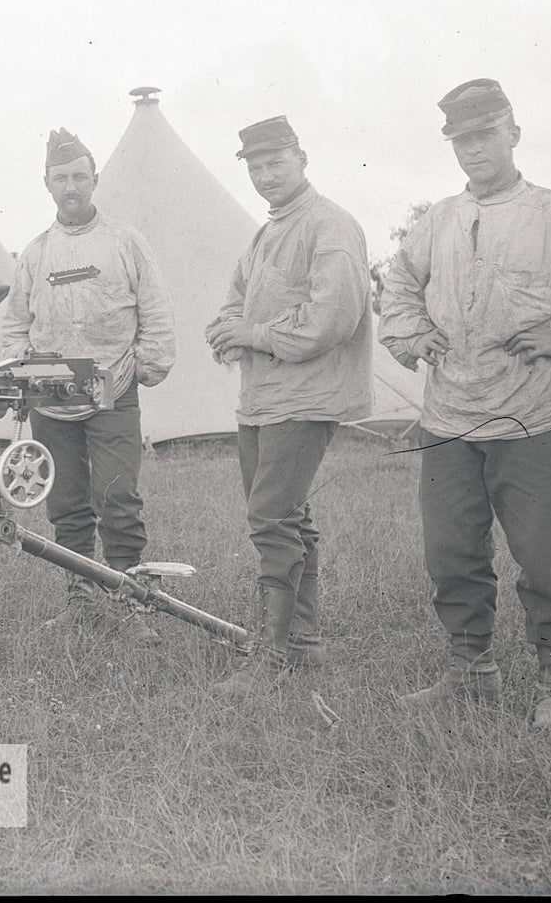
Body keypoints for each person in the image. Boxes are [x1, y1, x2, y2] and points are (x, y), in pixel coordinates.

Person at [379, 78, 551, 727]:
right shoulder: (437, 221)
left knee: (538, 557)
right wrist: (411, 333)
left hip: (533, 420)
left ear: (512, 133)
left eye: (484, 134)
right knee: (450, 553)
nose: (473, 149)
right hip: (447, 421)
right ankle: (469, 670)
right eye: (461, 139)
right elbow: (396, 285)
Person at [205, 116, 375, 689]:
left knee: (270, 517)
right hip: (261, 399)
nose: (264, 176)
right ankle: (303, 641)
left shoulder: (331, 226)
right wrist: (229, 329)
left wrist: (248, 334)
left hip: (306, 400)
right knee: (290, 517)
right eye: (254, 167)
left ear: (302, 157)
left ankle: (270, 654)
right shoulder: (266, 232)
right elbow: (231, 305)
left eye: (275, 163)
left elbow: (329, 320)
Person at [1, 128, 176, 642]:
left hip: (112, 390)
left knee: (118, 496)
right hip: (51, 400)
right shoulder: (34, 255)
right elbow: (13, 327)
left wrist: (146, 364)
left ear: (95, 180)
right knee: (67, 505)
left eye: (80, 176)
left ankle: (131, 603)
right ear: (47, 185)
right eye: (61, 178)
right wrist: (23, 370)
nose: (71, 186)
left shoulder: (126, 242)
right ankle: (81, 602)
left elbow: (156, 310)